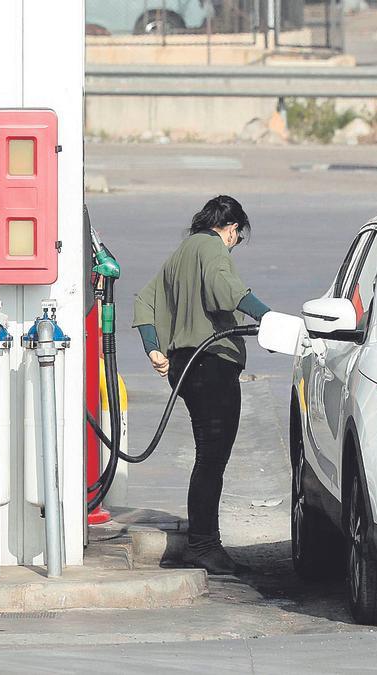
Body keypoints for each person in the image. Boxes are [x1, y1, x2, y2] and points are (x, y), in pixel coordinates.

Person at [131, 195, 270, 575]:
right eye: (238, 237)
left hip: (184, 366)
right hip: (211, 365)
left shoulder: (181, 252)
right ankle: (204, 545)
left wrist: (153, 349)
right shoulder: (212, 248)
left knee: (206, 457)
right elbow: (226, 291)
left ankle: (204, 541)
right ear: (232, 229)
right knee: (211, 460)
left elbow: (145, 301)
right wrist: (271, 318)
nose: (235, 243)